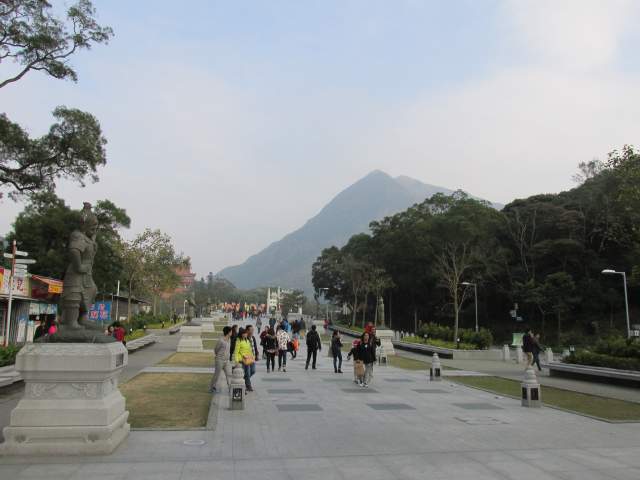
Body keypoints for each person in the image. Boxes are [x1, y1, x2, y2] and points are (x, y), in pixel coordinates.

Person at [210, 326, 232, 393]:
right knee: (217, 374)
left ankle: (230, 388)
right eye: (231, 331)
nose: (232, 333)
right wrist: (218, 356)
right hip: (220, 360)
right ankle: (212, 387)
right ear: (228, 332)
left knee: (229, 374)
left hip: (227, 360)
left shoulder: (229, 340)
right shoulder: (221, 340)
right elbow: (216, 349)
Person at [233, 328, 255, 393]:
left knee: (249, 373)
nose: (246, 334)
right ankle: (245, 388)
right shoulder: (238, 340)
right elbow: (236, 352)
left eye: (246, 333)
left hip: (248, 359)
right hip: (241, 360)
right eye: (244, 333)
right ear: (242, 334)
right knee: (243, 374)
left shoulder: (247, 340)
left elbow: (249, 350)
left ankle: (247, 385)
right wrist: (236, 361)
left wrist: (252, 358)